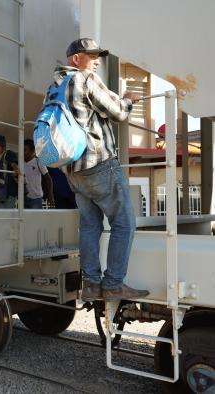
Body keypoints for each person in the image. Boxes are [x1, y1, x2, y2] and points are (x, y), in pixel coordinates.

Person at [49, 38, 148, 301]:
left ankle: (92, 284)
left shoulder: (55, 86)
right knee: (124, 223)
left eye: (97, 56)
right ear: (75, 59)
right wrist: (127, 99)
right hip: (98, 164)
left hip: (73, 171)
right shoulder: (85, 79)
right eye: (90, 55)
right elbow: (118, 113)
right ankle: (114, 283)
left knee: (90, 226)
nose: (96, 60)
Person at [0, 135, 20, 208]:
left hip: (9, 193)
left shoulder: (8, 154)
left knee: (8, 216)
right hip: (0, 194)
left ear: (3, 148)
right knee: (0, 215)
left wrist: (16, 171)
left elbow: (14, 164)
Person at [23, 139, 54, 209]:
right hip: (24, 198)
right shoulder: (21, 163)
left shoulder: (38, 161)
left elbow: (48, 179)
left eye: (25, 150)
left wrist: (50, 196)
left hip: (36, 199)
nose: (23, 152)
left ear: (32, 151)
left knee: (36, 219)